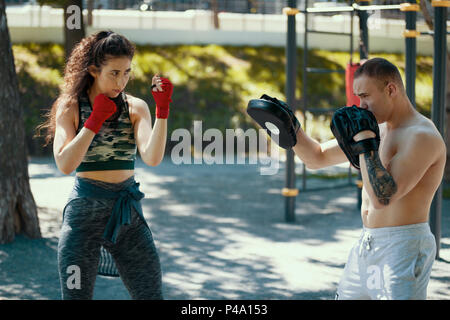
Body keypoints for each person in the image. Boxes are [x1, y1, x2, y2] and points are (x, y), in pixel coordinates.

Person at [292, 58, 446, 299]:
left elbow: (383, 197)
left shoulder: (422, 136)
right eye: (357, 97)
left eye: (365, 96)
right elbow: (317, 158)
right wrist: (288, 129)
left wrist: (365, 143)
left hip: (404, 247)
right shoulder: (378, 130)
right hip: (367, 244)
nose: (360, 105)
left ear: (391, 90)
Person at [38, 30, 173, 299]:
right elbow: (65, 163)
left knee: (151, 295)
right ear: (92, 69)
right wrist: (93, 123)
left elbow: (152, 157)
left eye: (127, 72)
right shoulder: (71, 105)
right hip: (83, 217)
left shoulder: (135, 107)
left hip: (127, 216)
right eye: (114, 72)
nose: (121, 81)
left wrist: (162, 112)